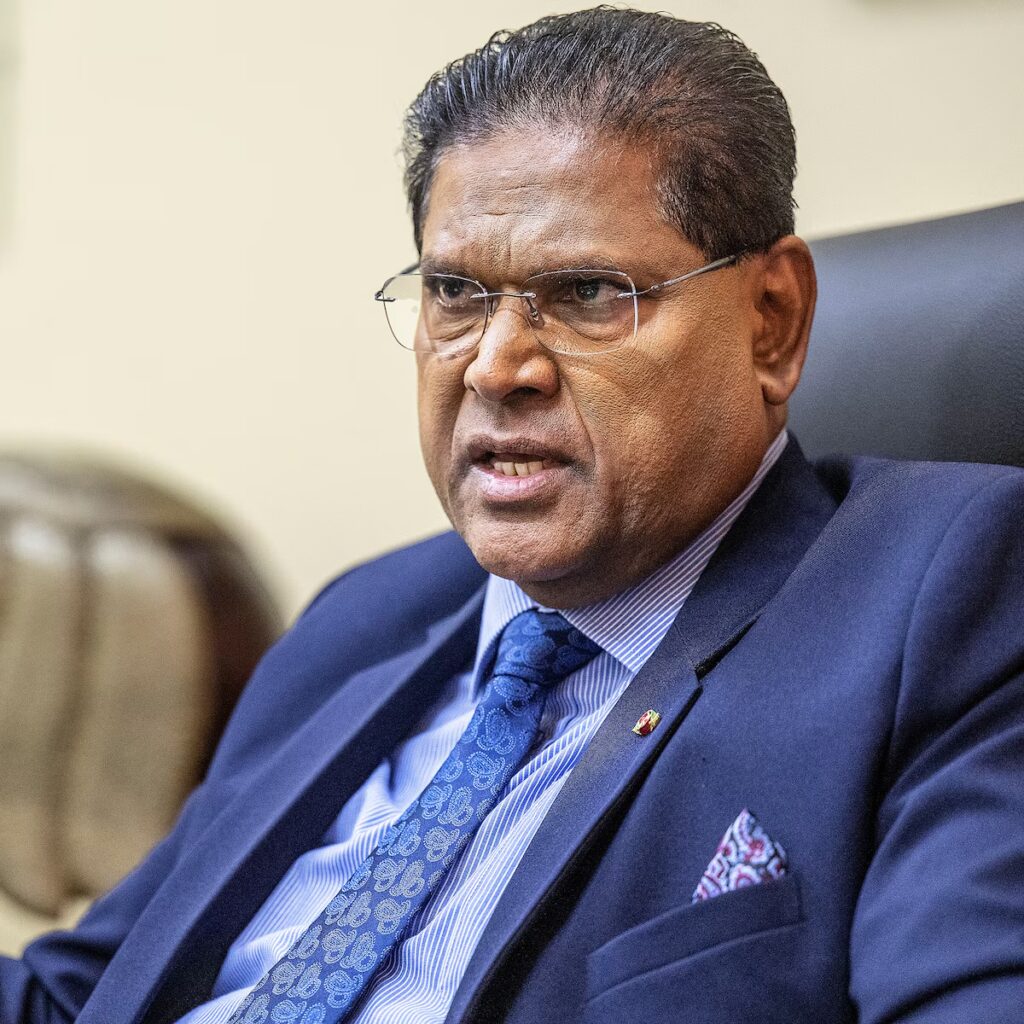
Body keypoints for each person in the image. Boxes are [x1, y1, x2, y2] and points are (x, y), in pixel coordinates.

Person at [2, 7, 1023, 1024]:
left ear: (772, 322)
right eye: (454, 291)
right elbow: (70, 999)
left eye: (587, 293)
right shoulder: (368, 617)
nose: (494, 366)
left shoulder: (942, 600)